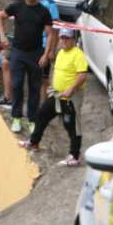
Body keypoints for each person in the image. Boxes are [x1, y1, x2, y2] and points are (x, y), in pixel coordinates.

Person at [19, 27, 90, 166]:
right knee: (42, 114)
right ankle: (34, 142)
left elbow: (82, 75)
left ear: (73, 39)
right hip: (57, 94)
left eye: (67, 38)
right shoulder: (61, 53)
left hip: (71, 97)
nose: (64, 40)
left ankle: (74, 156)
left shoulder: (78, 54)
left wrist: (71, 89)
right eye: (62, 37)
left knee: (72, 125)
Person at [0, 0, 55, 133]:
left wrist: (46, 54)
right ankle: (16, 118)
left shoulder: (43, 11)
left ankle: (32, 120)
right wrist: (2, 35)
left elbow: (50, 34)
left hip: (36, 53)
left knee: (34, 87)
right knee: (17, 85)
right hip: (18, 52)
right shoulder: (17, 6)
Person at [31, 0, 62, 96]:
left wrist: (52, 50)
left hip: (45, 46)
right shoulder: (29, 1)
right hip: (30, 46)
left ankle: (43, 103)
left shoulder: (50, 4)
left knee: (44, 78)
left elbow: (56, 29)